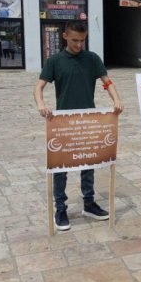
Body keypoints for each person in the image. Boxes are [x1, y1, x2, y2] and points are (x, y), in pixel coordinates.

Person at [33, 22, 123, 231]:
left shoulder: (92, 59)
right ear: (65, 36)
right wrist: (41, 104)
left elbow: (107, 81)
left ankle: (89, 204)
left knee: (88, 163)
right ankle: (60, 208)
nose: (78, 45)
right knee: (60, 167)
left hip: (88, 121)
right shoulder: (54, 61)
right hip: (63, 123)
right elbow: (38, 88)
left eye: (82, 40)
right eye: (74, 40)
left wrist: (116, 99)